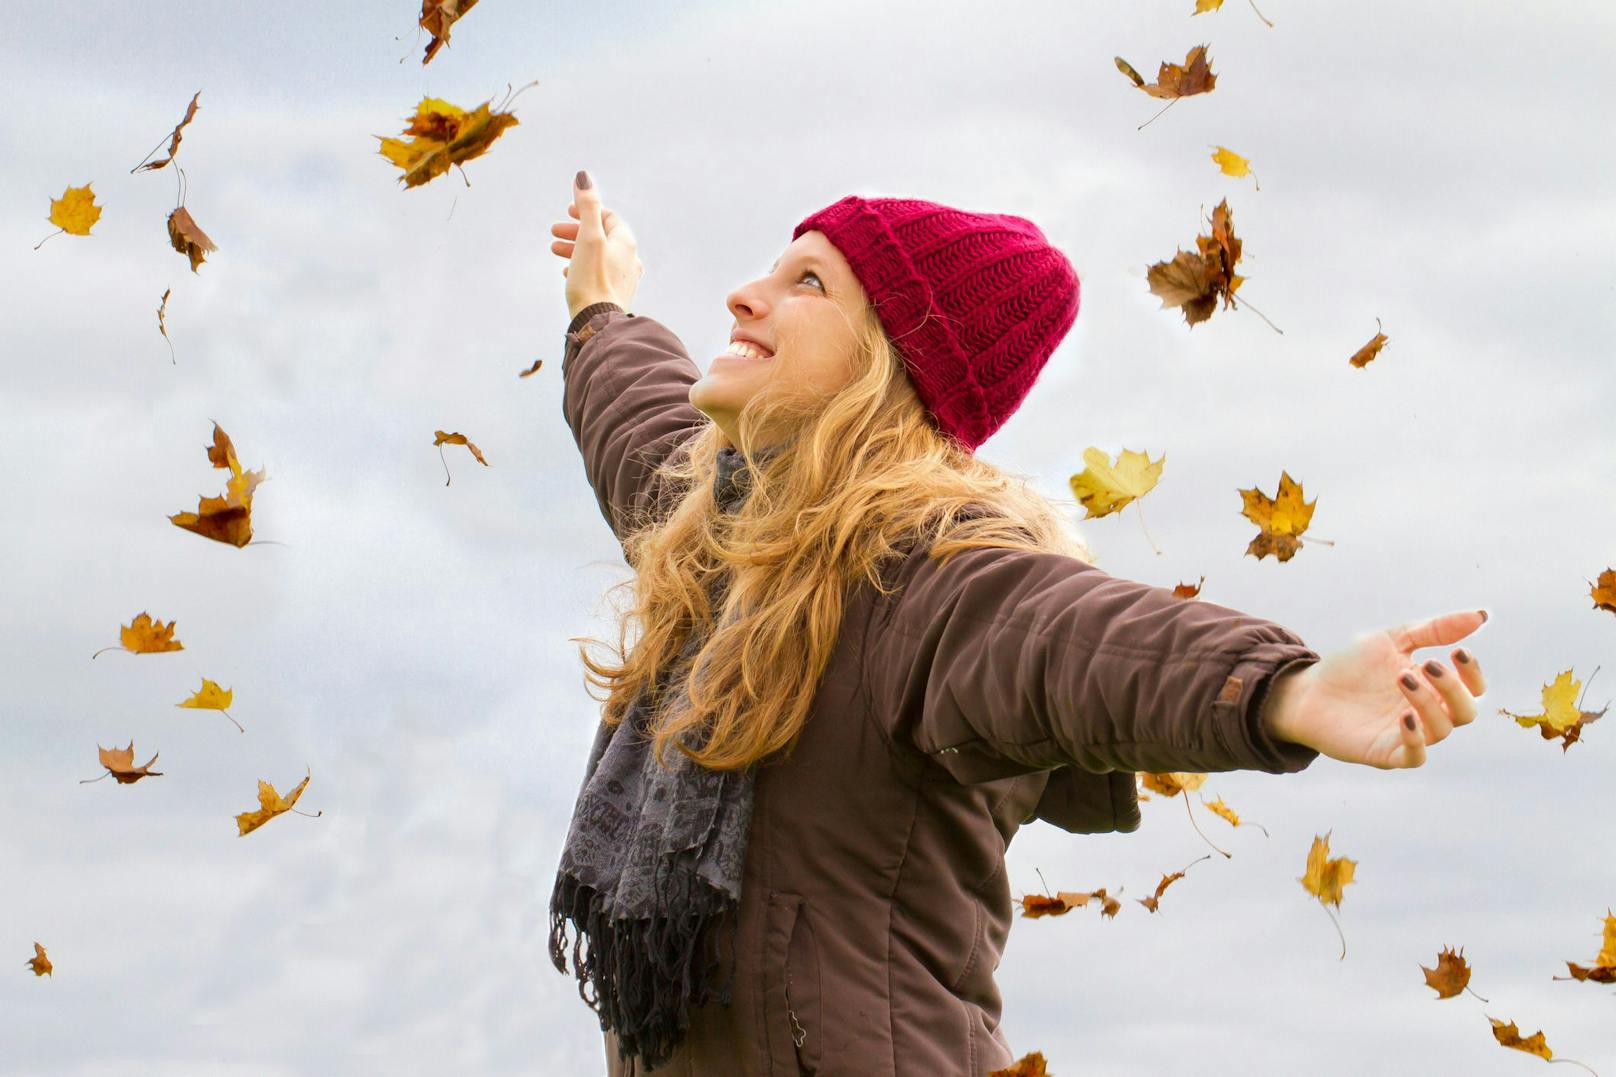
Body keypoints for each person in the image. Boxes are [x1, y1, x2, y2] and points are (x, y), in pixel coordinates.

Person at [545, 170, 1488, 1076]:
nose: (745, 296)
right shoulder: (719, 548)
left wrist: (1280, 688)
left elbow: (1070, 642)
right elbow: (639, 421)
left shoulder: (922, 579)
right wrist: (602, 305)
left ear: (890, 367)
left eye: (808, 283)